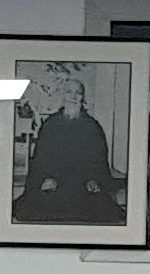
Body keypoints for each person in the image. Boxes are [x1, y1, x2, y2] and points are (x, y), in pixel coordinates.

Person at [15, 65, 124, 228]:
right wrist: (44, 179)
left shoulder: (92, 126)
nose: (73, 96)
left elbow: (99, 160)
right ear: (63, 96)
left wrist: (94, 180)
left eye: (78, 93)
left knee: (99, 207)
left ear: (82, 98)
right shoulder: (51, 124)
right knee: (37, 205)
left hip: (82, 183)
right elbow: (40, 158)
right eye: (69, 92)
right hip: (55, 181)